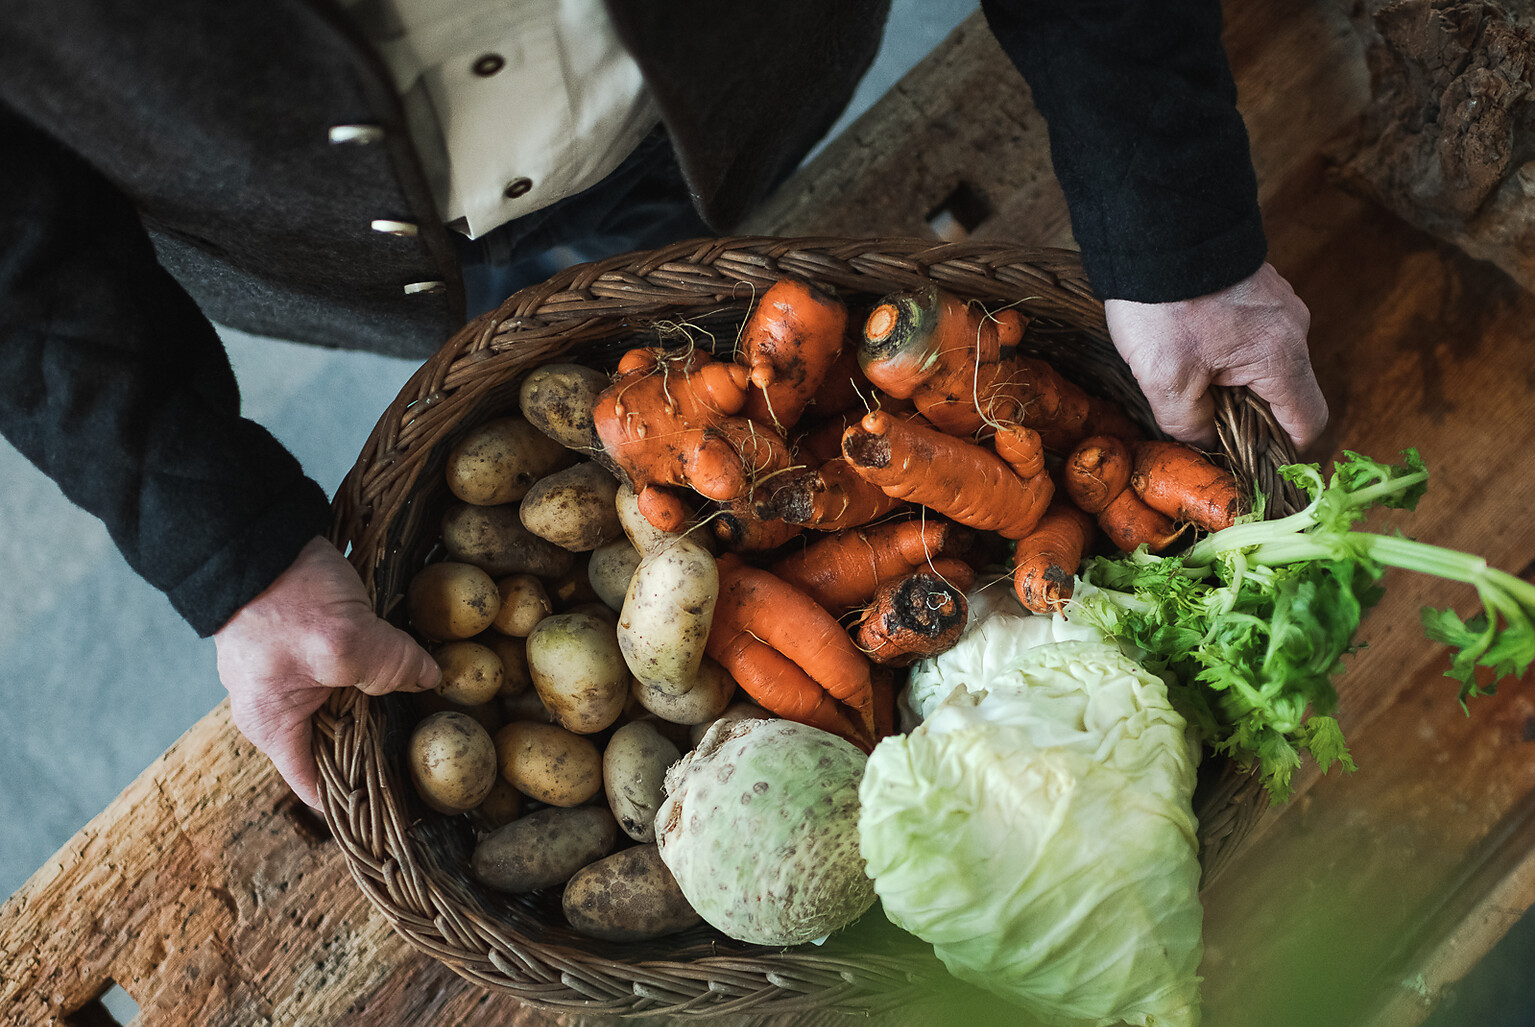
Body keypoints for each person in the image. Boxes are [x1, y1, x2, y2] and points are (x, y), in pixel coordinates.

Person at [0, 0, 1327, 810]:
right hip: (330, 238)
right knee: (581, 358)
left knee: (705, 311)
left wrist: (1174, 226)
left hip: (717, 82)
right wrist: (217, 543)